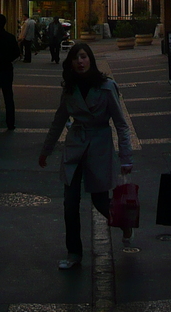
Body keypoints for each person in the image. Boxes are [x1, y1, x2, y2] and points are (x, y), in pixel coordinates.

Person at [39, 42, 133, 270]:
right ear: (70, 63)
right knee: (70, 203)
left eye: (84, 57)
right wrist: (46, 150)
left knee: (101, 202)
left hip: (99, 145)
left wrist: (126, 157)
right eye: (75, 58)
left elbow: (121, 124)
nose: (80, 61)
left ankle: (124, 222)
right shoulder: (69, 89)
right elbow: (59, 120)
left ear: (90, 60)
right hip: (75, 145)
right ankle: (74, 253)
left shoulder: (107, 87)